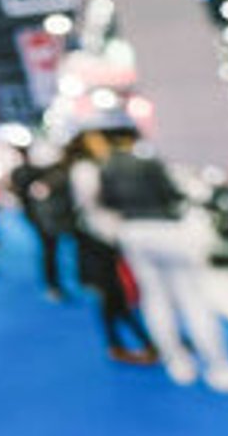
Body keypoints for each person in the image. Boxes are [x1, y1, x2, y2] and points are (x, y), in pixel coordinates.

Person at [97, 131, 228, 393]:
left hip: (133, 231)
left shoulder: (108, 167)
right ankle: (219, 368)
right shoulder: (150, 163)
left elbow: (107, 201)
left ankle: (177, 362)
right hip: (166, 229)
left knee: (154, 298)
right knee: (193, 299)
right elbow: (172, 195)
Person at [66, 129, 159, 367]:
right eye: (95, 142)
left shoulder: (96, 166)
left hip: (110, 234)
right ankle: (136, 342)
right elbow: (93, 200)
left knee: (117, 293)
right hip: (99, 237)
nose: (101, 145)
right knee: (114, 293)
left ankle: (136, 341)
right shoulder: (85, 170)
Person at [13, 147, 72, 300]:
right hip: (45, 220)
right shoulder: (45, 177)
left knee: (49, 251)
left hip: (43, 219)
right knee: (49, 251)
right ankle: (53, 285)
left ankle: (53, 284)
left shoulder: (37, 175)